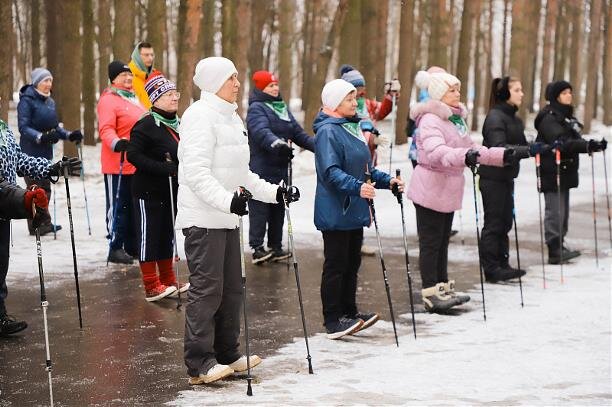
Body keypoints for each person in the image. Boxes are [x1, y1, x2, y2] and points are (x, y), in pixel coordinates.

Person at [176, 57, 298, 384]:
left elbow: (243, 174)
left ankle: (227, 354)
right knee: (207, 290)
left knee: (231, 289)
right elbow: (197, 173)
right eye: (232, 78)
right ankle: (200, 364)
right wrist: (229, 201)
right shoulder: (199, 117)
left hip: (227, 218)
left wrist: (276, 193)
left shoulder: (231, 118)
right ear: (216, 81)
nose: (238, 84)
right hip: (203, 218)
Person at [407, 69, 511, 313]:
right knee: (431, 242)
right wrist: (468, 156)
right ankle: (430, 291)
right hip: (430, 187)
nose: (457, 93)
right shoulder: (431, 119)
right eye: (452, 90)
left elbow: (471, 147)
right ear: (439, 94)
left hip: (449, 188)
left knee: (443, 241)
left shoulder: (455, 119)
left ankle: (442, 286)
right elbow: (436, 152)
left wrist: (501, 155)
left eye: (458, 89)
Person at [313, 79, 404, 339]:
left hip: (355, 207)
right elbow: (330, 172)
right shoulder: (328, 131)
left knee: (352, 264)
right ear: (334, 103)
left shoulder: (351, 128)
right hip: (336, 209)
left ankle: (349, 314)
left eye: (354, 98)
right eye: (349, 99)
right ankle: (332, 319)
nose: (355, 102)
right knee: (336, 265)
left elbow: (367, 171)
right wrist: (357, 187)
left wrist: (389, 182)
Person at [0, 98, 81, 336]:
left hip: (2, 206)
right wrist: (20, 199)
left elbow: (19, 161)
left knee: (1, 260)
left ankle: (0, 315)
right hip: (5, 197)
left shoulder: (3, 130)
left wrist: (51, 168)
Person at [127, 73, 189, 302]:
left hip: (170, 191)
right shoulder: (145, 125)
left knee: (166, 235)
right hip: (147, 191)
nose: (174, 98)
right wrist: (164, 169)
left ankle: (168, 279)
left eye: (175, 94)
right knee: (149, 237)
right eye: (168, 94)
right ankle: (151, 285)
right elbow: (132, 155)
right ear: (155, 98)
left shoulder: (179, 122)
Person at [245, 70, 315, 264]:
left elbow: (298, 133)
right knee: (260, 208)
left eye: (276, 85)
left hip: (281, 166)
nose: (275, 88)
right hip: (262, 167)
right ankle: (257, 247)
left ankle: (275, 246)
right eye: (270, 86)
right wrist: (277, 144)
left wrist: (320, 147)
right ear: (261, 88)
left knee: (279, 205)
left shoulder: (281, 107)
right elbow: (261, 131)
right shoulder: (257, 108)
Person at [535, 80, 606, 264]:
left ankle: (560, 244)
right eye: (565, 92)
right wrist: (585, 145)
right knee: (555, 211)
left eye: (570, 92)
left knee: (563, 211)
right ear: (556, 96)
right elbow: (562, 142)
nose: (569, 95)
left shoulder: (566, 117)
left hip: (564, 170)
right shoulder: (548, 118)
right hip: (552, 170)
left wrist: (592, 145)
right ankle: (554, 248)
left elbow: (575, 140)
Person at [478, 77, 536, 283]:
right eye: (517, 90)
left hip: (507, 177)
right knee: (494, 223)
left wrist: (535, 147)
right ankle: (491, 268)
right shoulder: (495, 117)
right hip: (492, 177)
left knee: (505, 221)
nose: (522, 93)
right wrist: (527, 149)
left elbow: (519, 145)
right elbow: (499, 147)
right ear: (505, 93)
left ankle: (503, 264)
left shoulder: (514, 118)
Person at [17, 67, 84, 235]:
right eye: (45, 81)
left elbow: (55, 128)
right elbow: (23, 127)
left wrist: (70, 135)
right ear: (36, 83)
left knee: (46, 189)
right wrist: (41, 137)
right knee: (34, 189)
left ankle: (46, 222)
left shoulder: (50, 101)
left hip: (46, 153)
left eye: (50, 81)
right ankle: (35, 226)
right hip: (30, 153)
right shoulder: (27, 100)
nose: (48, 84)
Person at [98, 61, 147, 264]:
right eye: (122, 76)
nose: (128, 79)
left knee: (133, 206)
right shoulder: (109, 100)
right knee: (118, 207)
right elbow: (106, 129)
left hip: (136, 164)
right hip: (117, 162)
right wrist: (117, 143)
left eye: (129, 75)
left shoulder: (134, 98)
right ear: (113, 79)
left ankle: (132, 246)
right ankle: (115, 246)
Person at [339, 64, 400, 163]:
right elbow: (350, 131)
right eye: (358, 89)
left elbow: (381, 111)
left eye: (363, 88)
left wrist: (391, 95)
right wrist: (371, 139)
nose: (362, 92)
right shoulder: (343, 109)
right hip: (352, 160)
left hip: (369, 158)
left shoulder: (367, 104)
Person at [129, 41, 157, 109]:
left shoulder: (155, 76)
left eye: (152, 55)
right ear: (138, 56)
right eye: (146, 55)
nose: (150, 58)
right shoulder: (127, 77)